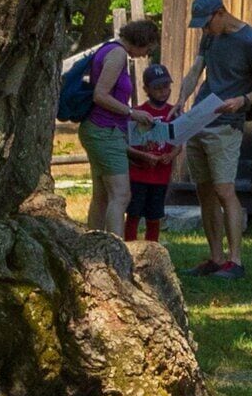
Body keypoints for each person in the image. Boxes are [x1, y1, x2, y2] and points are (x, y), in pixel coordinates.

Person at [185, 0, 252, 279]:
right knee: (204, 191)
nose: (204, 28)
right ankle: (215, 258)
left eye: (207, 22)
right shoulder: (210, 36)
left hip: (228, 122)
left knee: (224, 190)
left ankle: (235, 262)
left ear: (221, 13)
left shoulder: (251, 40)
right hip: (200, 118)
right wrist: (180, 101)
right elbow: (197, 68)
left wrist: (243, 100)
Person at [77, 16, 156, 240]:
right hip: (104, 130)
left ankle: (93, 245)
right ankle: (115, 247)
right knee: (121, 194)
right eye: (147, 50)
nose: (145, 55)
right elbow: (100, 95)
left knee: (102, 195)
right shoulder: (118, 54)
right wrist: (132, 112)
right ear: (141, 40)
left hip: (101, 130)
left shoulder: (110, 50)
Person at [123, 63, 181, 242]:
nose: (163, 91)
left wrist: (171, 155)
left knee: (154, 216)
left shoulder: (173, 113)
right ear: (146, 89)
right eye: (157, 88)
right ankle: (130, 246)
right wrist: (143, 156)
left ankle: (152, 248)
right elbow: (126, 144)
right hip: (139, 174)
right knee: (133, 213)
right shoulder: (139, 113)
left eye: (166, 86)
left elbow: (179, 142)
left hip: (161, 175)